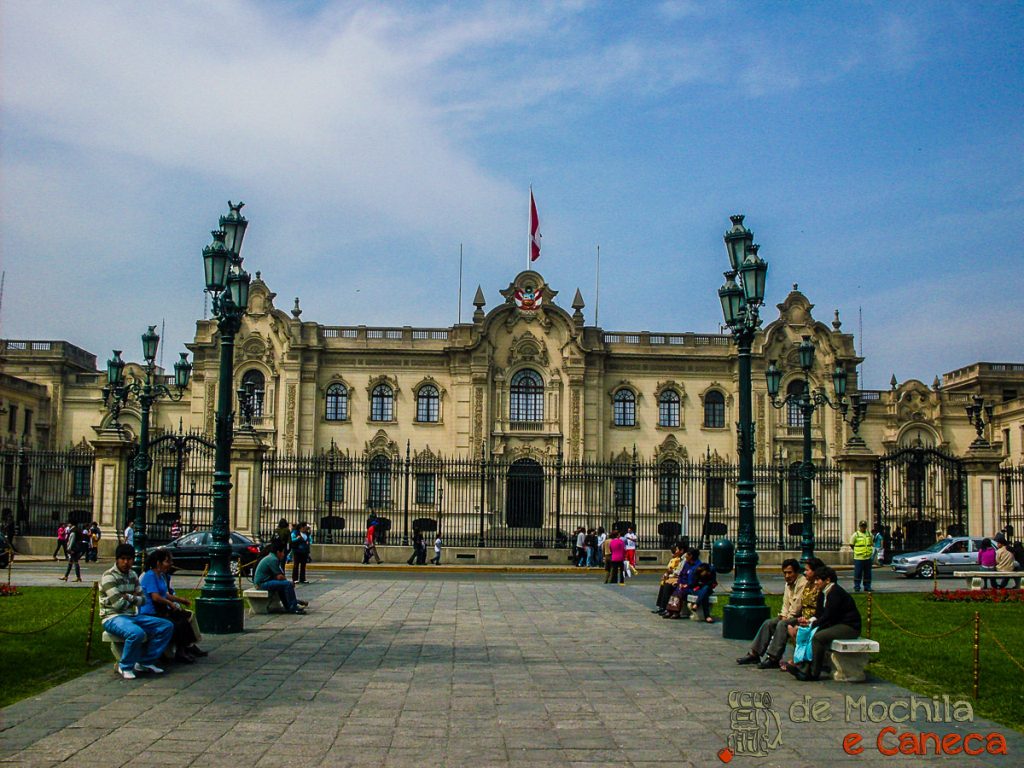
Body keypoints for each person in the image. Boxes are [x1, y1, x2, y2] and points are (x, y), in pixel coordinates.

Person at [99, 543, 174, 679]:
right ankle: (125, 666)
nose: (126, 562)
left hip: (131, 615)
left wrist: (128, 596)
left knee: (166, 626)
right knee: (136, 633)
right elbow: (118, 605)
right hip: (112, 617)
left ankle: (146, 661)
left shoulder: (133, 575)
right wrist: (134, 598)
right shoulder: (108, 577)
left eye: (129, 559)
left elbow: (143, 599)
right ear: (117, 559)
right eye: (122, 559)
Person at [784, 566, 861, 682]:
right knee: (807, 632)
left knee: (818, 637)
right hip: (834, 623)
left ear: (828, 580)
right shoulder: (823, 592)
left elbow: (829, 616)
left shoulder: (835, 592)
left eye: (818, 579)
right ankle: (803, 665)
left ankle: (813, 673)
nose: (815, 582)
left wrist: (813, 626)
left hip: (848, 626)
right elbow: (819, 614)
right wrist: (809, 622)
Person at [737, 559, 806, 669]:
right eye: (785, 573)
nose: (787, 575)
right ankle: (755, 654)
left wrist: (786, 618)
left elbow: (797, 605)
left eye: (790, 572)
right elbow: (785, 602)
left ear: (796, 572)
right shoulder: (788, 584)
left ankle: (774, 657)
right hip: (788, 615)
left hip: (799, 616)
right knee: (768, 623)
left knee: (781, 625)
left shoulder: (802, 583)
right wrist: (783, 614)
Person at [140, 549, 201, 664]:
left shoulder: (160, 576)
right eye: (167, 561)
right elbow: (155, 597)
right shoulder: (150, 576)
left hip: (160, 609)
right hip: (151, 612)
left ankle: (184, 648)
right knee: (176, 624)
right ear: (158, 563)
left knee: (185, 617)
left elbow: (165, 594)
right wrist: (170, 604)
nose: (170, 564)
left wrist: (180, 600)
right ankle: (172, 652)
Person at [253, 541, 306, 614]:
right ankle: (293, 607)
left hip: (263, 582)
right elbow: (279, 576)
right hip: (262, 584)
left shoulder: (271, 557)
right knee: (287, 584)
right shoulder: (273, 559)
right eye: (283, 552)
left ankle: (289, 605)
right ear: (278, 552)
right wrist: (289, 582)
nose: (284, 555)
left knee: (283, 585)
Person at [652, 543, 685, 615]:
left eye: (677, 549)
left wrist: (670, 574)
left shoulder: (683, 560)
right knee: (663, 583)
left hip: (679, 578)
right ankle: (661, 606)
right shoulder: (681, 559)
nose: (675, 551)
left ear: (681, 550)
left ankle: (665, 607)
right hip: (676, 576)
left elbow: (679, 572)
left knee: (667, 584)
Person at [849, 520, 874, 592]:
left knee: (868, 573)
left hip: (867, 557)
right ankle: (857, 587)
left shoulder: (869, 534)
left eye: (864, 526)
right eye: (862, 526)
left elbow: (871, 543)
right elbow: (851, 544)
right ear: (859, 526)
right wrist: (857, 551)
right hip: (859, 557)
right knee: (858, 573)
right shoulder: (855, 534)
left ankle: (867, 586)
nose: (863, 527)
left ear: (866, 526)